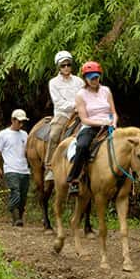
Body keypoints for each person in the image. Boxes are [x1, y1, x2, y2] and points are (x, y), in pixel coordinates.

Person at [66, 61, 118, 195]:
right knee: (82, 146)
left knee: (129, 144)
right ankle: (74, 178)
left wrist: (114, 122)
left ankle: (129, 179)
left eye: (96, 77)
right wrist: (101, 123)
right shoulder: (80, 95)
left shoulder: (106, 90)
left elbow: (113, 112)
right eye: (91, 78)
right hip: (91, 126)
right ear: (85, 79)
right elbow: (84, 119)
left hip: (109, 125)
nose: (94, 80)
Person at [45, 50, 85, 181]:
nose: (66, 67)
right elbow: (58, 102)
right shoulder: (53, 82)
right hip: (64, 114)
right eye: (63, 65)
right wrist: (75, 106)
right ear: (59, 67)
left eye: (68, 64)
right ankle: (50, 166)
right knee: (54, 134)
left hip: (81, 112)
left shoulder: (79, 81)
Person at [0, 109, 31, 226]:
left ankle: (19, 216)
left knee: (23, 196)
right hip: (11, 169)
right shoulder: (3, 134)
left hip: (24, 169)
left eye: (22, 122)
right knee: (15, 192)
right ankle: (15, 217)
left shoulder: (25, 135)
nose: (21, 124)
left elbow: (28, 151)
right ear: (13, 120)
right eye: (19, 121)